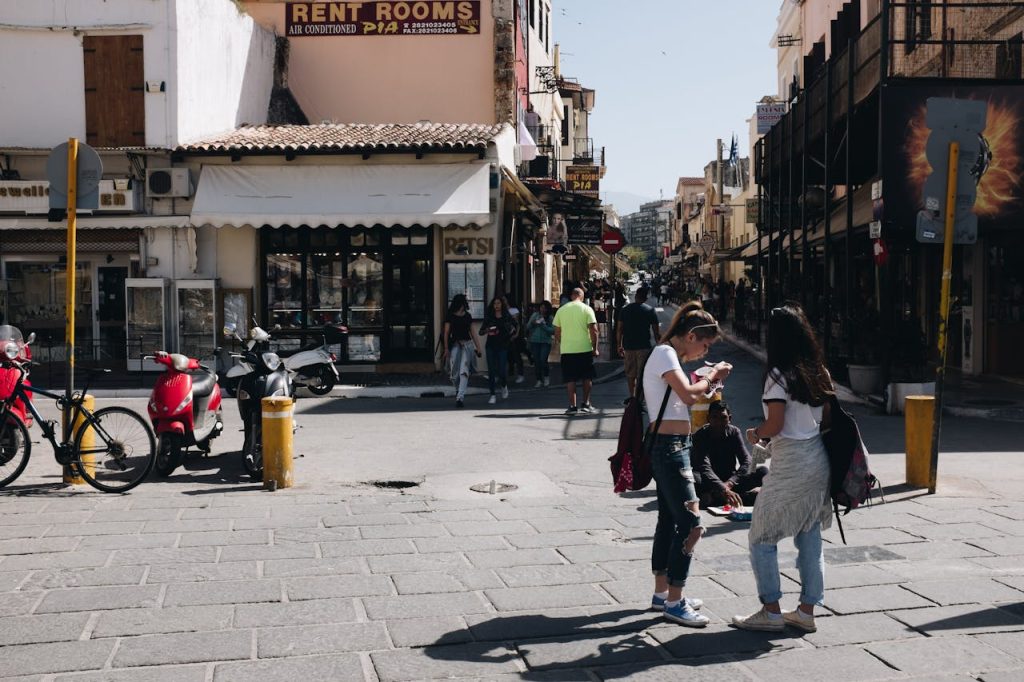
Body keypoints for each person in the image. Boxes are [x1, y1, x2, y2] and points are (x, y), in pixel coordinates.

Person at [731, 303, 834, 635]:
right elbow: (828, 419)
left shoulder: (778, 375)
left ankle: (771, 610)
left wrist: (755, 433)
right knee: (810, 536)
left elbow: (774, 424)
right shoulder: (819, 370)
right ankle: (806, 610)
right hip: (818, 460)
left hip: (791, 463)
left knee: (761, 535)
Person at [644, 301, 732, 627]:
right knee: (693, 524)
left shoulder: (670, 356)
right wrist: (712, 376)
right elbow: (688, 396)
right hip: (670, 448)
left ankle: (662, 593)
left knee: (668, 520)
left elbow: (686, 395)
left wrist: (708, 379)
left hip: (674, 444)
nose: (703, 350)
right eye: (705, 344)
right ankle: (675, 601)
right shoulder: (666, 354)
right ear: (692, 335)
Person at [691, 400, 768, 507]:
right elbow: (705, 468)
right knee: (692, 480)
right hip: (708, 483)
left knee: (763, 471)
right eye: (714, 417)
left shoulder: (734, 432)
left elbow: (747, 461)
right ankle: (741, 498)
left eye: (723, 418)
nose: (719, 422)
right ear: (708, 419)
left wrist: (730, 483)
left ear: (729, 419)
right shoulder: (700, 436)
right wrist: (723, 488)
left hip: (730, 481)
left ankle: (718, 499)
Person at [553, 288, 599, 415]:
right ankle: (586, 403)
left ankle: (572, 406)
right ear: (581, 296)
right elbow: (594, 330)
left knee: (570, 378)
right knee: (587, 377)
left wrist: (563, 341)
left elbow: (556, 331)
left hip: (568, 350)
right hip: (584, 348)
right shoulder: (586, 309)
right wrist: (595, 348)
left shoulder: (561, 310)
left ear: (572, 296)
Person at [617, 286, 661, 401]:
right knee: (642, 374)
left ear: (635, 296)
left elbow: (619, 329)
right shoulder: (650, 310)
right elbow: (656, 332)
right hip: (644, 347)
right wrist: (660, 346)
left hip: (628, 347)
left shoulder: (625, 310)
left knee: (630, 374)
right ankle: (639, 398)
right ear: (646, 298)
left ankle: (632, 396)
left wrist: (619, 345)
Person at [442, 294, 482, 408]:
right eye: (463, 303)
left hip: (467, 345)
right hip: (455, 345)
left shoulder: (467, 316)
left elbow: (473, 333)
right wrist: (446, 348)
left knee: (464, 371)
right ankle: (458, 390)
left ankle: (460, 397)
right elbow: (446, 333)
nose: (465, 306)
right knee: (454, 374)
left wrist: (478, 347)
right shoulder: (450, 316)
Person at [479, 297, 518, 405]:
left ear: (502, 305)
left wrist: (512, 335)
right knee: (491, 371)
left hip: (503, 345)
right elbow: (480, 332)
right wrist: (487, 330)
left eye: (498, 303)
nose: (496, 305)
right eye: (495, 303)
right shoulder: (489, 317)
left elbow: (515, 326)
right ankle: (492, 395)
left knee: (501, 370)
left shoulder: (506, 316)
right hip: (490, 346)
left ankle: (504, 385)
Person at [527, 301, 555, 388]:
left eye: (545, 308)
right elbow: (528, 326)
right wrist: (533, 323)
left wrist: (543, 326)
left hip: (545, 342)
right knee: (536, 361)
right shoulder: (535, 315)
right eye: (541, 307)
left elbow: (552, 330)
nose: (543, 309)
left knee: (543, 360)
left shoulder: (550, 318)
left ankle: (546, 376)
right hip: (535, 341)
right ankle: (539, 379)